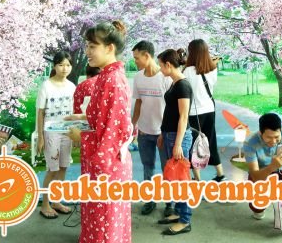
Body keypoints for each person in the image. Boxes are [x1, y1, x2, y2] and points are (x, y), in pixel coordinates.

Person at [68, 20, 132, 243]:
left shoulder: (112, 81)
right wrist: (83, 118)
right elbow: (106, 119)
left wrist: (80, 136)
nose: (87, 51)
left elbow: (112, 134)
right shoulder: (107, 76)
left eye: (92, 46)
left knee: (104, 227)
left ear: (109, 48)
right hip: (105, 163)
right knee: (100, 222)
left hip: (107, 165)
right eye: (87, 46)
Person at [130, 40, 173, 216]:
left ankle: (169, 203)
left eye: (136, 58)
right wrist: (133, 125)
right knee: (148, 167)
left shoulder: (165, 77)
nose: (135, 61)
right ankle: (150, 200)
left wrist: (166, 130)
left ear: (147, 55)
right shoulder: (138, 77)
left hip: (163, 132)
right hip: (144, 131)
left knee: (166, 168)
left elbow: (172, 107)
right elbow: (138, 103)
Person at [156, 48, 194, 235]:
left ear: (168, 65)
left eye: (161, 65)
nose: (160, 69)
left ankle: (185, 220)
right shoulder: (174, 83)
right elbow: (170, 112)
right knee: (174, 178)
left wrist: (178, 143)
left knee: (181, 179)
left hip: (179, 137)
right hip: (169, 134)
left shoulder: (183, 86)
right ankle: (178, 212)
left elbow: (183, 117)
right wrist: (163, 133)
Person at [36, 51, 76, 219]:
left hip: (67, 131)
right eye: (61, 65)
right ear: (54, 66)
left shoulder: (72, 86)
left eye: (68, 65)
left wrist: (75, 133)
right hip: (51, 132)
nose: (64, 68)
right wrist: (40, 137)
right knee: (52, 169)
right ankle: (45, 205)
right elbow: (40, 113)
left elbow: (74, 112)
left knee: (63, 167)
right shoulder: (46, 85)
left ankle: (56, 201)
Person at [244, 112, 282, 220]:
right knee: (257, 206)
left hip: (281, 170)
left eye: (276, 137)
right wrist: (272, 167)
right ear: (260, 133)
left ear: (280, 131)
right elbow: (255, 176)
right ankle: (259, 208)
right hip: (261, 174)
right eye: (268, 137)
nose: (273, 141)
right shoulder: (250, 143)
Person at [183, 39, 225, 181]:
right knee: (211, 141)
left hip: (194, 113)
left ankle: (197, 179)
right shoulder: (213, 68)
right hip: (209, 110)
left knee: (194, 145)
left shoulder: (188, 71)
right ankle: (220, 174)